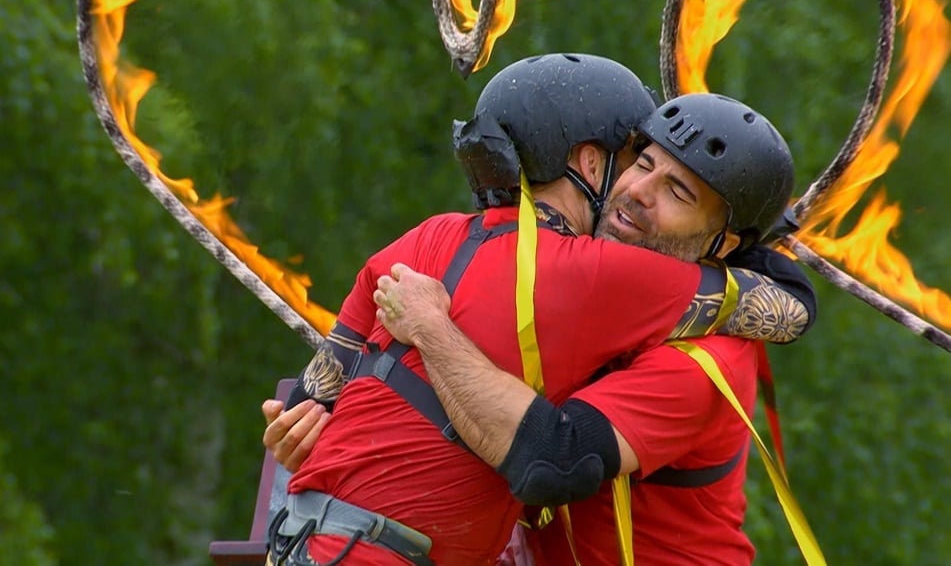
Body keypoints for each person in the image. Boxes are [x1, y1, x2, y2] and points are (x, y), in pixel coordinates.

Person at [263, 55, 813, 566]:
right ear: (590, 162)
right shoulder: (597, 275)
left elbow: (553, 459)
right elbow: (790, 308)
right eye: (640, 162)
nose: (639, 191)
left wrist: (425, 335)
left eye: (678, 192)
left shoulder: (433, 238)